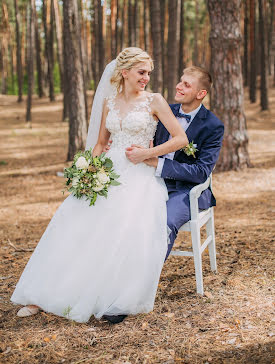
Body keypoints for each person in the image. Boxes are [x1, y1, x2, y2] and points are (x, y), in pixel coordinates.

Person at [11, 47, 188, 324]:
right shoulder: (109, 102)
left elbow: (181, 139)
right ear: (124, 72)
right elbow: (100, 143)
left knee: (117, 223)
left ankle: (107, 295)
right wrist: (89, 172)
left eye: (148, 73)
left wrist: (147, 154)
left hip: (139, 174)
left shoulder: (154, 101)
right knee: (72, 222)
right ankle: (44, 292)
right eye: (141, 72)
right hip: (108, 171)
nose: (146, 78)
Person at [126, 66, 224, 258]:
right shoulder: (163, 111)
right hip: (151, 181)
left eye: (186, 85)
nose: (178, 86)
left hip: (187, 190)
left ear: (200, 93)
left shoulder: (213, 126)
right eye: (180, 81)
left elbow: (201, 173)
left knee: (164, 222)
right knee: (127, 213)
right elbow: (141, 137)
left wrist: (158, 164)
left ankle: (147, 278)